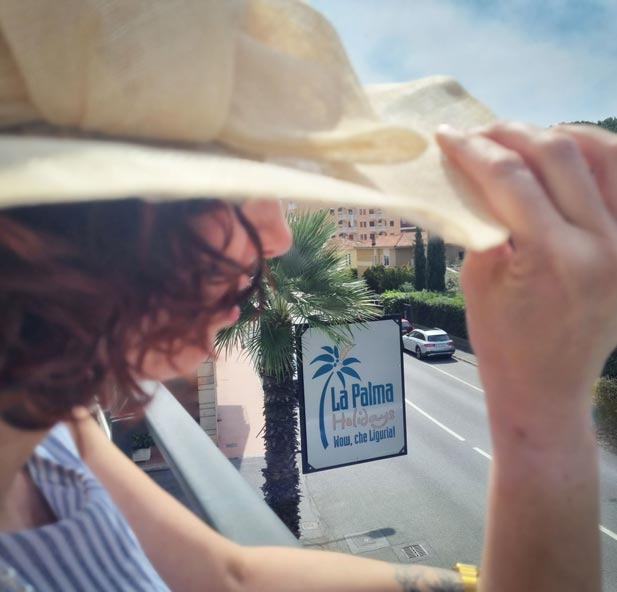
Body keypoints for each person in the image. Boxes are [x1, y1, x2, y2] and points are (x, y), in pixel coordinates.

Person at [0, 1, 615, 590]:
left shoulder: (55, 420)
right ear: (34, 219)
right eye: (220, 183)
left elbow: (230, 575)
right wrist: (544, 418)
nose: (275, 235)